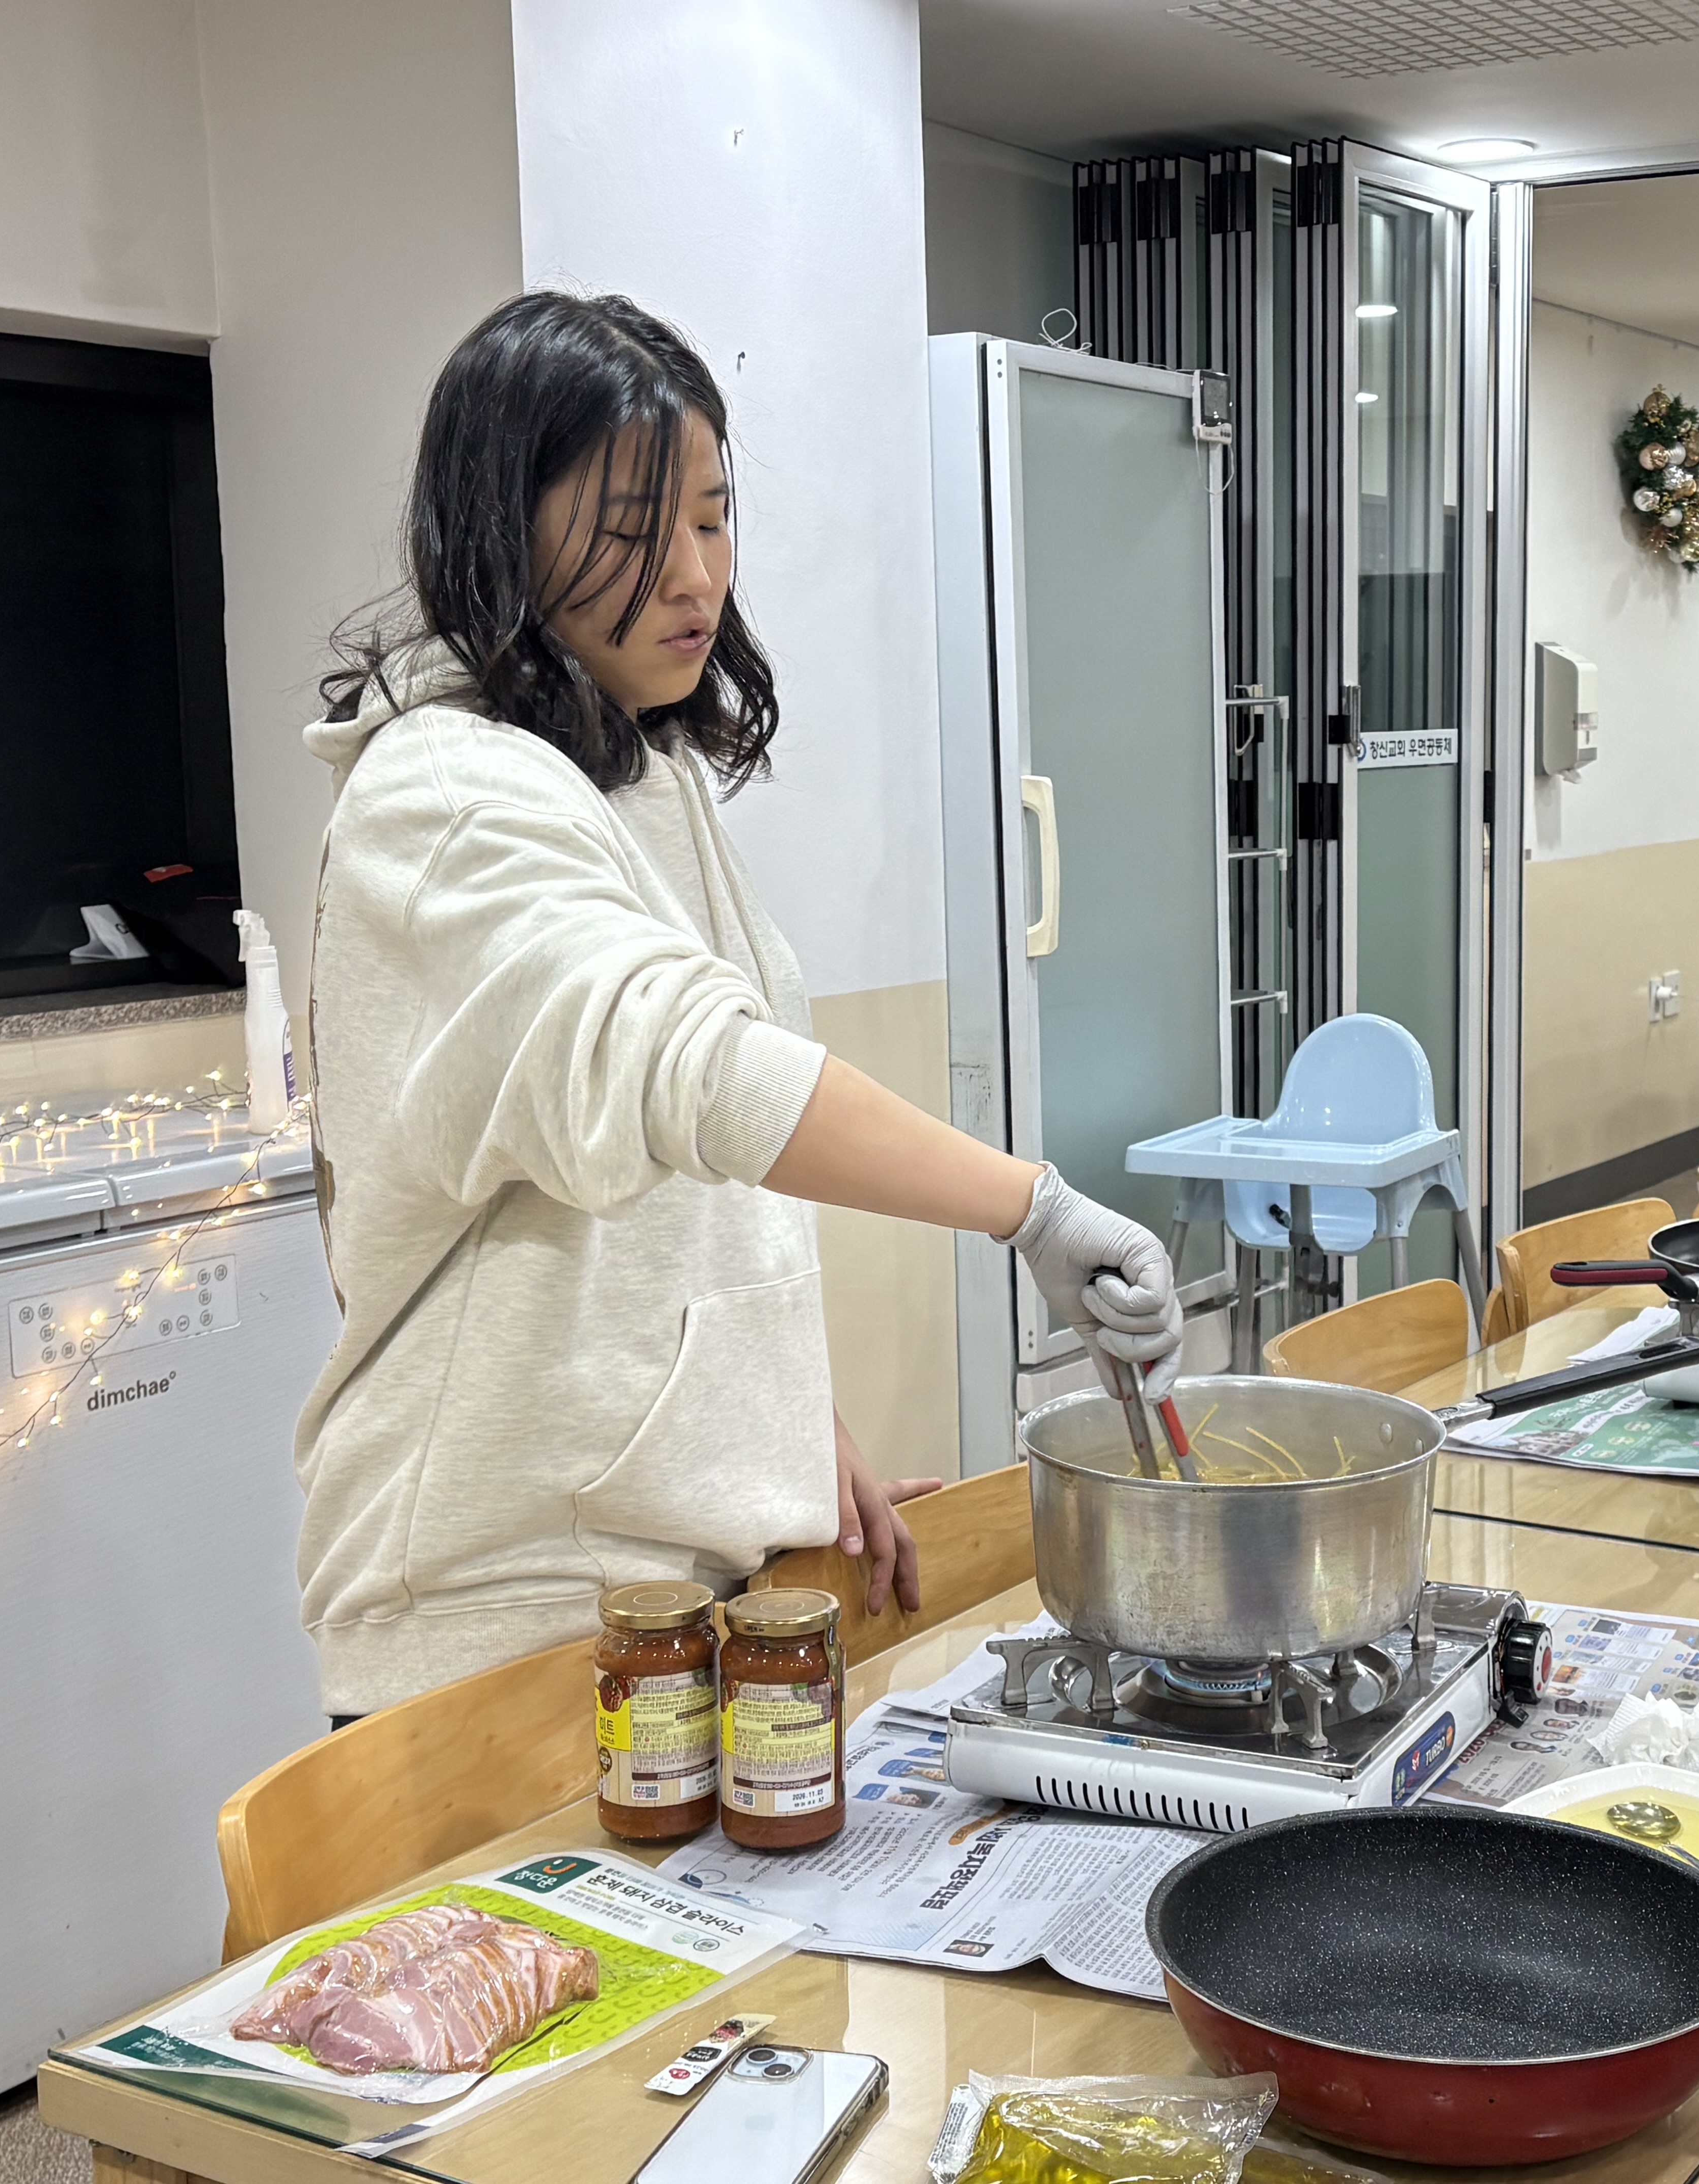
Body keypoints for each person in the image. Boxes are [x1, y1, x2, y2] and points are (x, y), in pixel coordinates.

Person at [293, 293, 1180, 1719]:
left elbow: (685, 1204)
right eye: (635, 528)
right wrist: (1031, 1207)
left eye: (713, 520)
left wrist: (777, 1430)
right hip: (498, 1620)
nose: (695, 573)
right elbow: (698, 1073)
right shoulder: (446, 792)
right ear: (501, 528)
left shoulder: (643, 772)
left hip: (671, 1584)